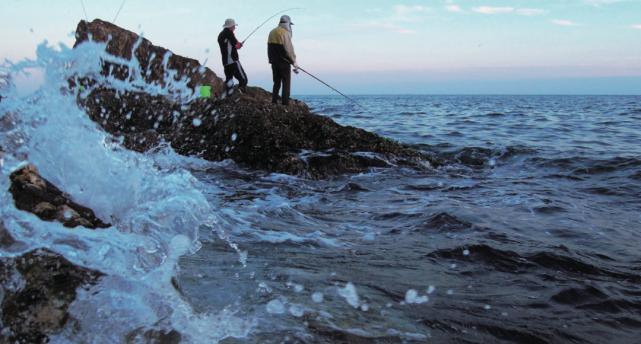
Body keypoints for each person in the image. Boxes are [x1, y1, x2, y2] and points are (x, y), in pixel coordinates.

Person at [268, 15, 298, 105]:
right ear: (288, 23)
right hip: (284, 62)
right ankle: (285, 103)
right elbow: (289, 49)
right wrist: (294, 62)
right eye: (290, 24)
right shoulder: (285, 33)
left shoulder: (272, 32)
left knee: (276, 82)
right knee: (286, 83)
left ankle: (274, 101)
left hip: (274, 61)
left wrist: (271, 59)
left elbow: (269, 48)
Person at [218, 18, 248, 95]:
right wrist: (240, 45)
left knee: (229, 80)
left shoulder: (220, 35)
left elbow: (230, 44)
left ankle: (229, 97)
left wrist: (238, 44)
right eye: (234, 26)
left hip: (225, 62)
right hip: (233, 60)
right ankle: (241, 95)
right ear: (230, 26)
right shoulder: (229, 33)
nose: (234, 28)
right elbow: (236, 45)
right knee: (243, 79)